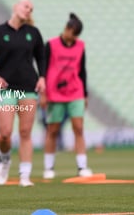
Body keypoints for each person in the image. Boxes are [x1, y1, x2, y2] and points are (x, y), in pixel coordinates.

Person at [0, 0, 45, 187]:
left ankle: (24, 175)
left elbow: (41, 57)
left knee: (25, 132)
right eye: (26, 6)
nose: (28, 10)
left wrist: (42, 77)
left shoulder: (33, 33)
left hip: (28, 88)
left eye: (31, 9)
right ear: (16, 7)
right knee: (5, 134)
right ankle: (5, 160)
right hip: (6, 89)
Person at [40, 13, 92, 179]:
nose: (73, 38)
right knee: (53, 130)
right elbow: (43, 69)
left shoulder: (80, 46)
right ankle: (49, 167)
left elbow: (82, 71)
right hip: (54, 94)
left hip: (75, 92)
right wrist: (43, 94)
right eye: (73, 33)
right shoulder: (51, 45)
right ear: (67, 29)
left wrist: (85, 95)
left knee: (78, 128)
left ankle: (82, 166)